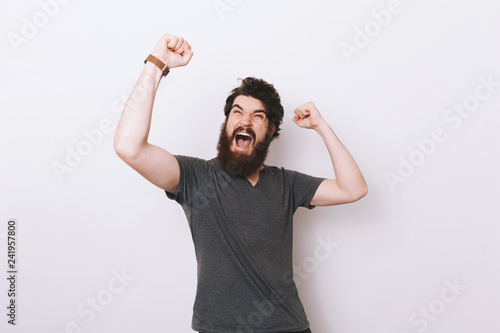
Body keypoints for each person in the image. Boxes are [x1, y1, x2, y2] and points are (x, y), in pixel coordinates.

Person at [114, 33, 368, 333]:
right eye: (237, 112)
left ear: (270, 130)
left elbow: (354, 188)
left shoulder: (286, 184)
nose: (245, 121)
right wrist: (156, 64)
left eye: (257, 116)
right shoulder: (195, 178)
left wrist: (321, 127)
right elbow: (128, 147)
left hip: (287, 327)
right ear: (227, 124)